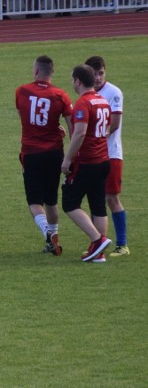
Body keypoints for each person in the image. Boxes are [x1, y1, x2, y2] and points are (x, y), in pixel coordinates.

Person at [15, 55, 72, 255]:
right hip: (55, 153)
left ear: (36, 71)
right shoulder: (61, 95)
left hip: (31, 152)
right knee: (51, 200)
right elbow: (72, 126)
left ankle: (48, 235)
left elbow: (27, 117)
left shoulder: (22, 91)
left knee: (34, 202)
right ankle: (52, 241)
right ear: (52, 72)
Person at [61, 64, 112, 263]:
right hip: (103, 159)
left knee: (70, 203)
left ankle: (97, 240)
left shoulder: (83, 103)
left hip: (87, 161)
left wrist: (67, 159)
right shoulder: (103, 100)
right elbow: (106, 129)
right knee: (98, 205)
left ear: (78, 81)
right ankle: (99, 253)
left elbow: (80, 132)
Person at [85, 56, 128, 256]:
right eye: (94, 74)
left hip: (111, 154)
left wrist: (93, 137)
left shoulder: (113, 93)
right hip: (94, 156)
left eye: (101, 73)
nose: (98, 78)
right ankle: (97, 243)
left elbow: (115, 123)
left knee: (112, 198)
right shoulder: (87, 94)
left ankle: (122, 244)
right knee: (96, 199)